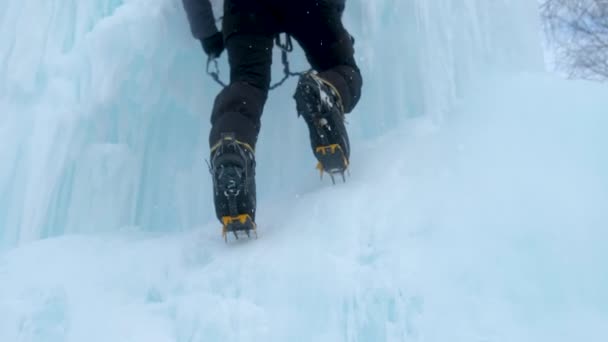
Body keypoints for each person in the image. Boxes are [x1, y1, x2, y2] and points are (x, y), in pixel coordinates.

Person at [182, 0, 362, 238]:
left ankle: (232, 143)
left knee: (247, 82)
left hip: (247, 9)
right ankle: (326, 92)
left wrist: (207, 34)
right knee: (341, 67)